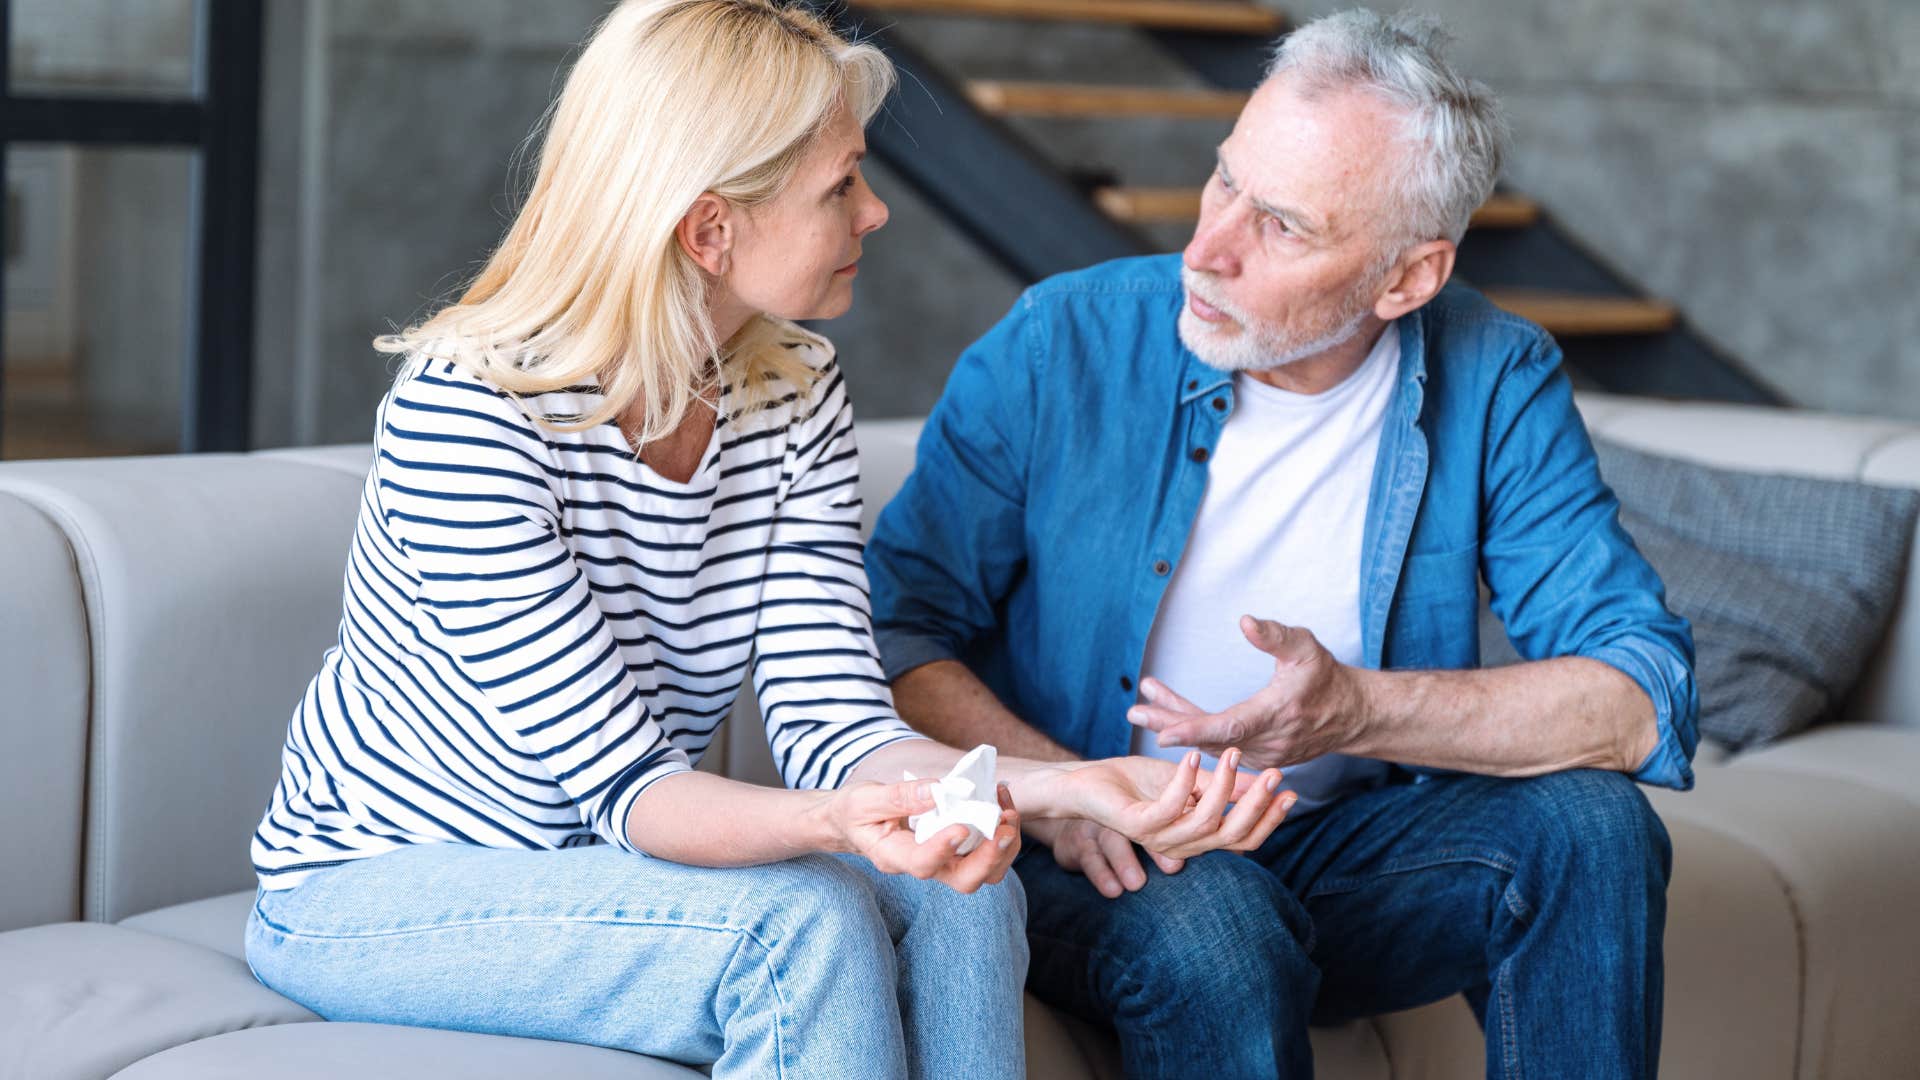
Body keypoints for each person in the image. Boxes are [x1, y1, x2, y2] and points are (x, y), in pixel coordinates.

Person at [243, 3, 1290, 1077]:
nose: (876, 212)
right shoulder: (469, 415)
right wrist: (847, 825)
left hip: (607, 865)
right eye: (841, 186)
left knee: (963, 877)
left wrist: (1069, 787)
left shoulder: (791, 393)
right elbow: (631, 793)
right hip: (377, 886)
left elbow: (837, 723)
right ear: (709, 230)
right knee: (797, 926)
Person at [866, 9, 1699, 1079]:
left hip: (1337, 853)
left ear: (1407, 279)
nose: (1206, 251)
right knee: (1213, 925)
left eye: (1284, 227)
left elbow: (1638, 694)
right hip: (1080, 851)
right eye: (1224, 182)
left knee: (1593, 829)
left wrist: (1356, 708)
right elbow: (891, 632)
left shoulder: (1497, 376)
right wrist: (1076, 794)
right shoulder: (1058, 340)